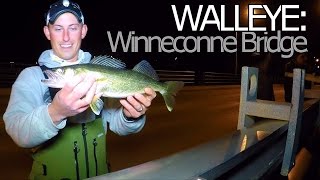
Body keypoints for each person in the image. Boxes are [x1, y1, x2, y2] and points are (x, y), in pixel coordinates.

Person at [3, 0, 156, 179]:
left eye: (73, 28)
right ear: (47, 32)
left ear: (83, 30)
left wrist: (131, 116)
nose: (66, 37)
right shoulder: (31, 77)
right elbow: (17, 133)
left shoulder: (99, 73)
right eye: (58, 28)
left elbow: (120, 126)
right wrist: (55, 112)